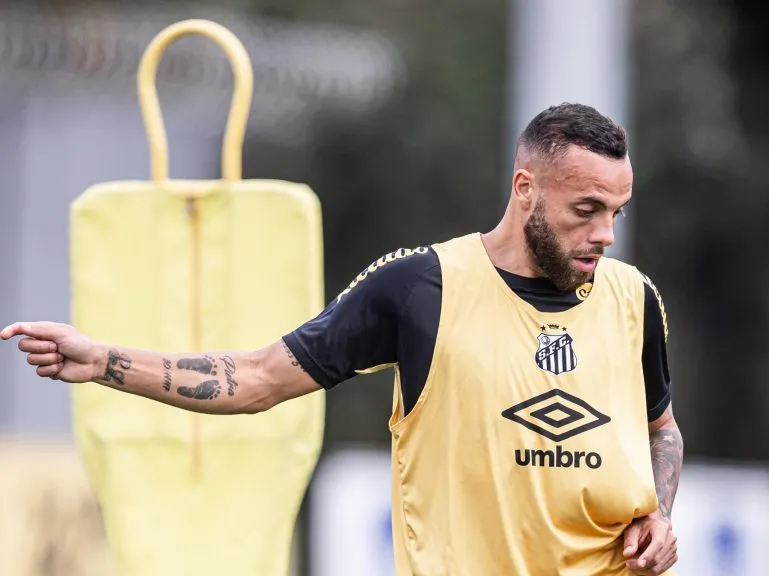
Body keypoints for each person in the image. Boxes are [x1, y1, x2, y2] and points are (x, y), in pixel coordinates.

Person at [2, 102, 683, 575]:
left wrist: (658, 513)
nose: (605, 234)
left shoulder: (634, 299)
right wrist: (103, 360)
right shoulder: (422, 289)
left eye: (616, 213)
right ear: (525, 189)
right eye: (585, 210)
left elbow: (662, 432)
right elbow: (258, 379)